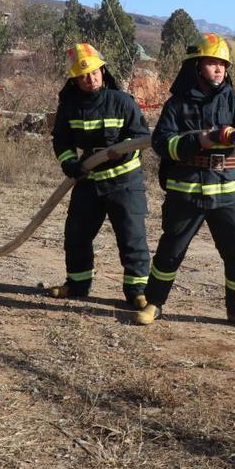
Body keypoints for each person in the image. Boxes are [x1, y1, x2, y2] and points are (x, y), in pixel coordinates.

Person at [135, 33, 235, 328]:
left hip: (229, 192)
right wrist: (200, 140)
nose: (219, 69)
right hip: (187, 192)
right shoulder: (177, 105)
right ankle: (154, 303)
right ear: (197, 67)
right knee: (171, 252)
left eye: (222, 64)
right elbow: (162, 143)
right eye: (212, 63)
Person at [50, 43, 151, 309]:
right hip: (88, 180)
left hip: (125, 181)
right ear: (74, 79)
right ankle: (77, 284)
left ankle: (137, 291)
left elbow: (141, 137)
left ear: (103, 72)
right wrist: (70, 163)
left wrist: (124, 152)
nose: (90, 78)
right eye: (83, 75)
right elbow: (61, 140)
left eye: (95, 72)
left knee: (132, 237)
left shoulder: (122, 102)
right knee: (76, 235)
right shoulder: (70, 106)